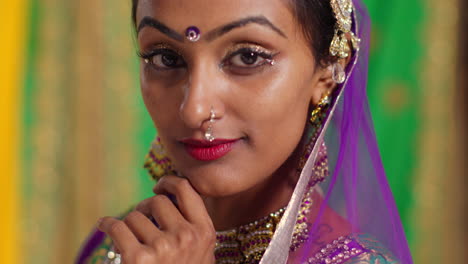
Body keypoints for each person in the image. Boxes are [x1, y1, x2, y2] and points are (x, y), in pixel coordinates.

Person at [76, 0, 413, 263]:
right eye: (165, 58)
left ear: (326, 72)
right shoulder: (123, 246)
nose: (194, 110)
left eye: (247, 57)